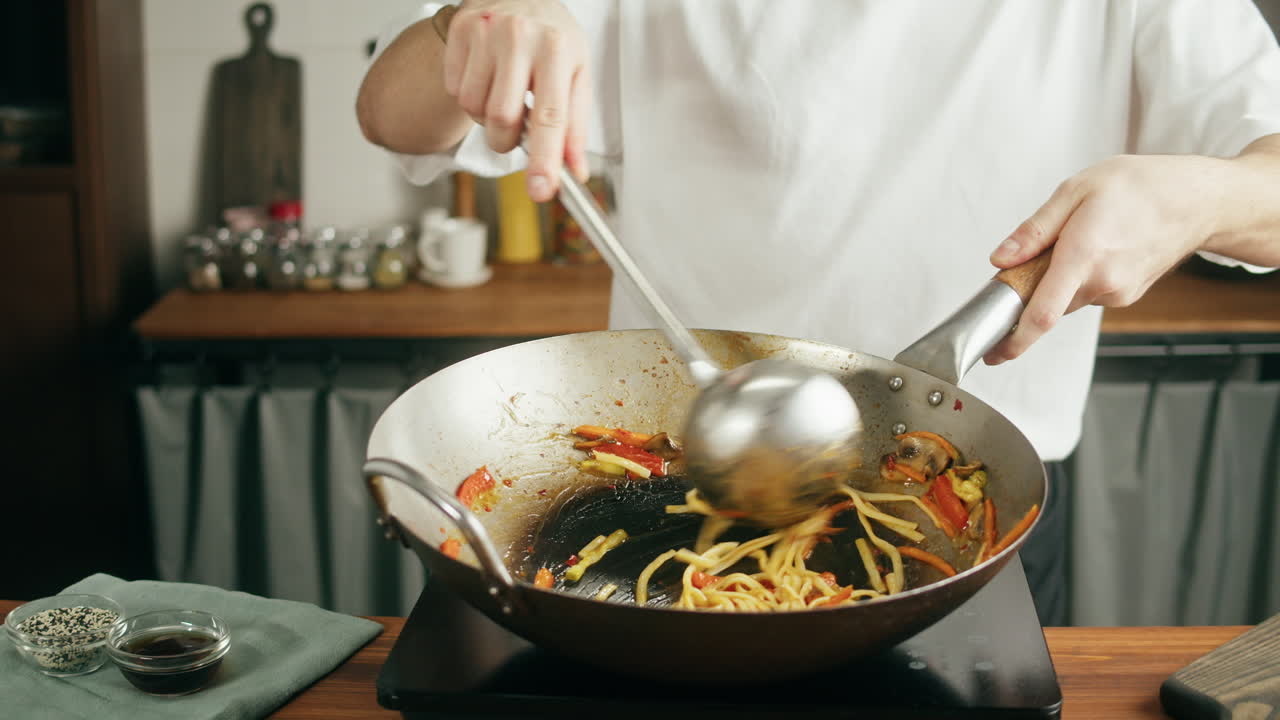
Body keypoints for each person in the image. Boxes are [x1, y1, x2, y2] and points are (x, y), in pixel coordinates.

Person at [357, 0, 1280, 626]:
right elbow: (392, 115)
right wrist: (467, 22)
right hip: (658, 484)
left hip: (966, 517)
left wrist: (1201, 194)